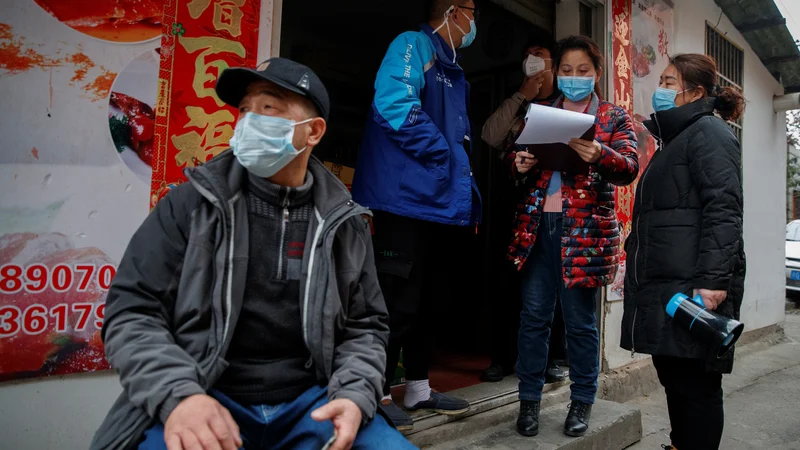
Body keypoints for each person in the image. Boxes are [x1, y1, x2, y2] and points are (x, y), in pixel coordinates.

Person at [90, 58, 417, 450]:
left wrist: (353, 397)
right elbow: (131, 311)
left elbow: (365, 327)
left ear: (313, 132)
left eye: (268, 107)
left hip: (313, 402)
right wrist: (179, 397)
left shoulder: (345, 222)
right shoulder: (191, 204)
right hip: (206, 395)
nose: (249, 120)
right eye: (244, 109)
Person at [351, 0, 482, 432]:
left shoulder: (451, 66)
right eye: (471, 11)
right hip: (405, 200)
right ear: (452, 11)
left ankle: (420, 388)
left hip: (437, 204)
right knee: (394, 301)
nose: (473, 22)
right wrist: (442, 153)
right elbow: (394, 105)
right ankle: (376, 393)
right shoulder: (413, 45)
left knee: (430, 300)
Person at [508, 35, 639, 438]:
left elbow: (630, 166)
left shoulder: (613, 117)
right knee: (533, 320)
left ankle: (582, 400)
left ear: (597, 74)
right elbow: (516, 166)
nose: (574, 77)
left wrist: (602, 154)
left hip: (584, 235)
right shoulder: (542, 111)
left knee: (581, 325)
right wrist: (520, 162)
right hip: (537, 231)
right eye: (566, 71)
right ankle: (528, 402)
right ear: (557, 74)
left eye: (583, 71)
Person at [621, 54, 746, 450]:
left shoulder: (709, 132)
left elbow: (724, 209)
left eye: (670, 81)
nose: (661, 89)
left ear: (696, 92)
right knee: (675, 376)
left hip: (694, 286)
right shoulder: (677, 138)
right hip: (669, 285)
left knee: (697, 386)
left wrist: (712, 281)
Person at [480, 34, 568, 385]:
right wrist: (521, 96)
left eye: (540, 55)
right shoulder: (517, 105)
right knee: (507, 284)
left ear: (553, 65)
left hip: (552, 208)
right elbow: (489, 135)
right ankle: (501, 358)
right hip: (514, 208)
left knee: (554, 284)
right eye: (528, 54)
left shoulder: (566, 106)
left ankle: (555, 358)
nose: (532, 59)